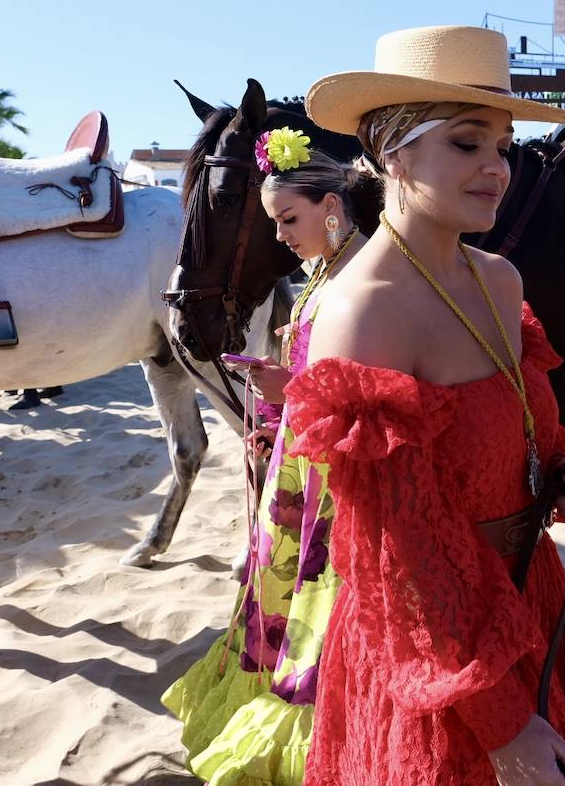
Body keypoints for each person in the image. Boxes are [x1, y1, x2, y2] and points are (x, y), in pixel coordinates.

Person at [289, 24, 565, 785]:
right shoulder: (362, 312)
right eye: (468, 144)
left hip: (531, 606)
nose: (497, 169)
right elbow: (396, 554)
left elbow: (534, 427)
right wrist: (503, 724)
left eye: (502, 146)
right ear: (392, 153)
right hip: (438, 651)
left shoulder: (501, 279)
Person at [162, 142, 378, 786]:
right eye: (276, 222)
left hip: (334, 470)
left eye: (289, 219)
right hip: (303, 451)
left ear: (331, 207)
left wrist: (292, 392)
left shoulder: (360, 278)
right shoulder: (325, 272)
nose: (281, 236)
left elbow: (371, 388)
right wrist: (282, 406)